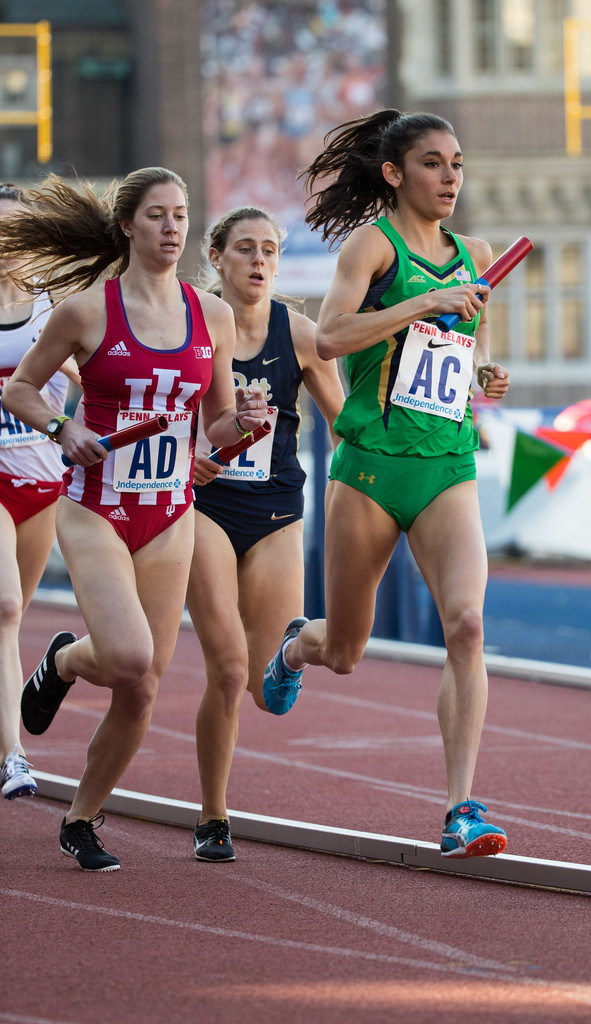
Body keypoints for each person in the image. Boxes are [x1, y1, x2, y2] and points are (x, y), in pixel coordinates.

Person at [0, 168, 268, 871]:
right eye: (157, 215)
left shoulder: (211, 316)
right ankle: (59, 661)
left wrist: (243, 423)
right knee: (126, 657)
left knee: (142, 685)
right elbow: (25, 387)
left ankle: (81, 818)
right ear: (128, 225)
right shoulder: (87, 311)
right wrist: (63, 429)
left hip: (170, 511)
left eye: (180, 215)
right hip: (94, 507)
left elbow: (214, 418)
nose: (172, 228)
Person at [262, 109, 511, 859]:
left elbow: (463, 363)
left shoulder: (478, 253)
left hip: (446, 468)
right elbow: (328, 338)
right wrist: (420, 303)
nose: (451, 178)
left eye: (458, 163)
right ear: (396, 174)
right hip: (370, 472)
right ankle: (292, 651)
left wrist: (485, 380)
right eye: (434, 163)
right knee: (344, 649)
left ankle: (460, 807)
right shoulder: (375, 246)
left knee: (466, 625)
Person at [186, 206, 344, 862]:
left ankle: (290, 654)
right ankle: (213, 815)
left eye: (270, 251)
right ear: (217, 256)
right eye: (245, 249)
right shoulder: (190, 323)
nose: (259, 261)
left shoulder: (299, 334)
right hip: (205, 506)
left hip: (278, 509)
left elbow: (346, 422)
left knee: (264, 692)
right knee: (224, 672)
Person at [0, 183, 80, 801]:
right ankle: (14, 757)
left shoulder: (59, 308)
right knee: (3, 608)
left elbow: (102, 374)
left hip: (45, 480)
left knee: (13, 615)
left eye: (17, 231)